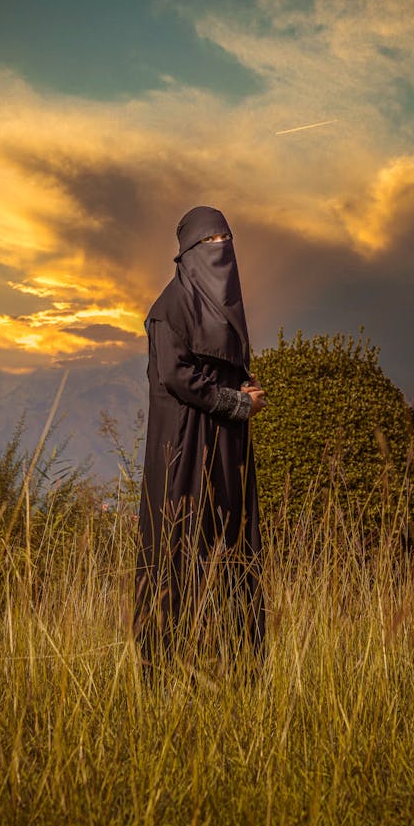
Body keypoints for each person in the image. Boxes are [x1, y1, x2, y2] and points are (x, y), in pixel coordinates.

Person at [133, 205, 267, 675]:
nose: (221, 249)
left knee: (231, 552)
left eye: (227, 239)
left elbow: (223, 371)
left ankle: (236, 670)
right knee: (179, 550)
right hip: (184, 453)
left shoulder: (225, 312)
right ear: (189, 252)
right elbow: (178, 377)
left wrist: (244, 394)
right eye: (210, 242)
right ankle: (168, 674)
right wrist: (237, 402)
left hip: (228, 451)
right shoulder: (169, 310)